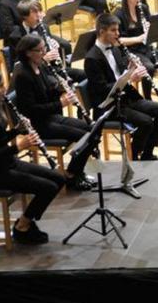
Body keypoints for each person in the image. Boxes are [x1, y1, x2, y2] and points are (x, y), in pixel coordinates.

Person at [0, 70, 66, 244]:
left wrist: (16, 131)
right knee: (48, 188)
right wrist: (17, 146)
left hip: (9, 163)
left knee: (59, 179)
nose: (4, 89)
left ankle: (27, 222)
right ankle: (23, 225)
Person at [10, 35, 98, 191]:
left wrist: (59, 89)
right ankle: (72, 175)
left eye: (45, 48)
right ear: (28, 53)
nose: (44, 52)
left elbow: (47, 94)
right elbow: (30, 110)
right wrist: (61, 102)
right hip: (38, 124)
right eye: (40, 50)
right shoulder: (23, 75)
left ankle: (75, 171)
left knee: (92, 129)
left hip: (51, 117)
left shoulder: (41, 65)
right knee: (83, 136)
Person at [83, 13, 158, 161]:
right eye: (113, 30)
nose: (118, 34)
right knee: (146, 122)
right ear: (102, 31)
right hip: (109, 105)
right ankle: (134, 156)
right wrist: (130, 78)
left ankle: (147, 152)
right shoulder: (91, 58)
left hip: (127, 98)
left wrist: (131, 68)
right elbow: (102, 89)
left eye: (118, 30)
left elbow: (120, 73)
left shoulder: (116, 48)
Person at [9, 0, 83, 82]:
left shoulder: (44, 27)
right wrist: (43, 59)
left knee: (83, 75)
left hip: (53, 68)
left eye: (40, 11)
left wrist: (54, 47)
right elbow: (18, 65)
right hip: (36, 76)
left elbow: (48, 50)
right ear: (24, 16)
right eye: (35, 12)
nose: (40, 15)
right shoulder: (16, 37)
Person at [114, 0, 158, 98]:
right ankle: (148, 98)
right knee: (149, 68)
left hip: (145, 48)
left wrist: (150, 29)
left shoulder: (143, 8)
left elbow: (151, 28)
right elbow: (117, 41)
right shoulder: (118, 14)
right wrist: (138, 38)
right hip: (129, 53)